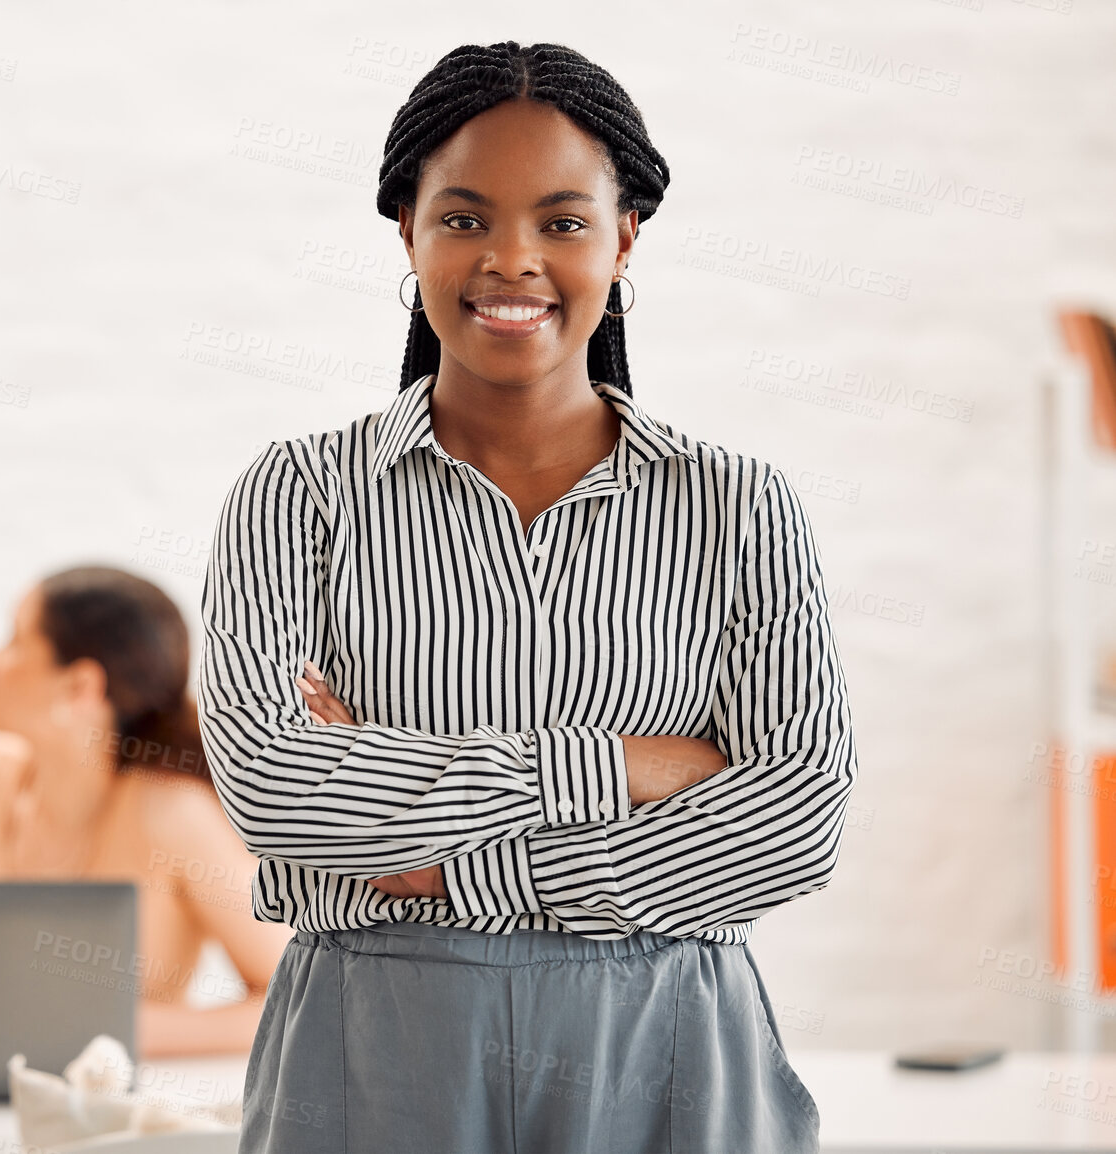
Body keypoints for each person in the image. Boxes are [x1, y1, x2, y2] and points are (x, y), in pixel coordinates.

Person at [198, 42, 858, 1153]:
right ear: (406, 229)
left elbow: (795, 819)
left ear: (624, 234)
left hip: (668, 1044)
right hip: (373, 1044)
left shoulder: (740, 504)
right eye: (464, 219)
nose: (511, 260)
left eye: (561, 221)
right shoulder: (299, 492)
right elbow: (274, 788)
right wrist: (631, 765)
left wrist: (436, 859)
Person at [0, 566, 291, 1057]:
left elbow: (290, 998)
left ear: (81, 686)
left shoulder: (173, 814)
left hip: (101, 1115)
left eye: (16, 641)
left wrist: (108, 1032)